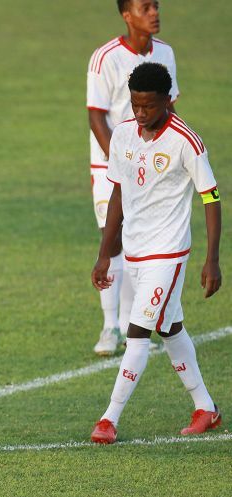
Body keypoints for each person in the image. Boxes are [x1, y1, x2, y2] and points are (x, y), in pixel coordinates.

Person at [90, 62, 221, 444]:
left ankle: (109, 419)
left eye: (148, 105)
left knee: (137, 333)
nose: (140, 113)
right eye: (135, 105)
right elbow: (118, 192)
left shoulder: (185, 141)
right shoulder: (123, 134)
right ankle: (206, 408)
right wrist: (105, 254)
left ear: (167, 100)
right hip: (134, 250)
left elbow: (211, 198)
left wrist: (212, 259)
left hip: (168, 253)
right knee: (170, 327)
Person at [87, 0, 179, 355]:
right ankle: (109, 326)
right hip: (110, 165)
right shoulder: (105, 58)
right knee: (112, 239)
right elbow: (97, 117)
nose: (154, 12)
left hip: (151, 166)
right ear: (127, 15)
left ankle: (131, 326)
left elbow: (170, 108)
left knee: (138, 240)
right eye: (145, 7)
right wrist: (122, 163)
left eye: (155, 6)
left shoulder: (165, 54)